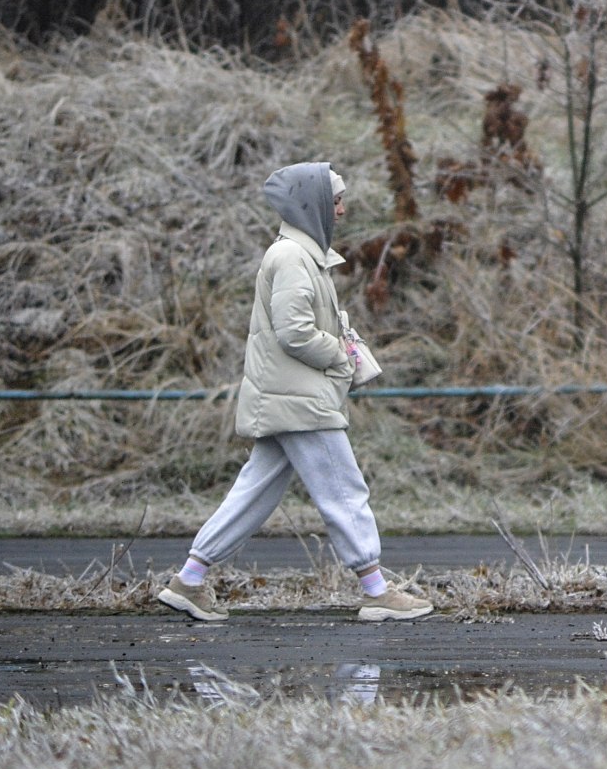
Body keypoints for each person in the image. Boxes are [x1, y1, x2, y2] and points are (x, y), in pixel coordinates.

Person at [158, 161, 433, 624]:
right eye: (336, 200)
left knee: (253, 493)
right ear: (315, 204)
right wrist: (341, 356)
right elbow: (295, 332)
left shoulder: (300, 256)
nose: (342, 210)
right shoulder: (292, 258)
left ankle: (189, 580)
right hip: (301, 402)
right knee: (345, 490)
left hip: (285, 398)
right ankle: (376, 591)